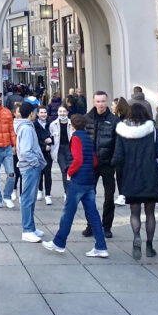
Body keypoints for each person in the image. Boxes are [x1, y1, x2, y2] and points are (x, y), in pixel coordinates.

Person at [42, 112, 107, 257]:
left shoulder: (76, 138)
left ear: (72, 126)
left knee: (68, 213)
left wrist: (70, 173)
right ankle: (101, 246)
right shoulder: (88, 139)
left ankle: (59, 242)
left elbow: (77, 159)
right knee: (93, 214)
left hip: (78, 181)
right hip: (89, 180)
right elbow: (94, 161)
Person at [112, 100, 158, 260]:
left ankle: (136, 236)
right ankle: (149, 245)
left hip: (131, 175)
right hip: (150, 175)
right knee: (150, 213)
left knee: (135, 212)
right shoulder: (152, 131)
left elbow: (118, 156)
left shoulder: (122, 131)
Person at [83, 91, 118, 238]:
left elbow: (118, 143)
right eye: (98, 101)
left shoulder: (114, 120)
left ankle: (107, 226)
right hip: (91, 164)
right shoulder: (87, 119)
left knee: (109, 196)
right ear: (93, 102)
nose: (101, 104)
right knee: (89, 195)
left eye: (103, 101)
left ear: (107, 101)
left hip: (108, 164)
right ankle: (91, 225)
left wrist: (114, 161)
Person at [14, 102, 46, 242]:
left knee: (30, 198)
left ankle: (31, 228)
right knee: (27, 199)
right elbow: (26, 151)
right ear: (31, 113)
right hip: (29, 167)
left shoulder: (26, 126)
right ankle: (27, 230)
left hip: (30, 166)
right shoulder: (26, 128)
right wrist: (36, 162)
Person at [49, 105, 74, 196]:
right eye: (60, 111)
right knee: (64, 170)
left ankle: (71, 190)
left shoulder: (72, 124)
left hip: (70, 149)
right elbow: (50, 137)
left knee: (71, 170)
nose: (62, 113)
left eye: (64, 111)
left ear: (67, 112)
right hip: (59, 150)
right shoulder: (53, 125)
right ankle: (66, 192)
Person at [34, 105, 54, 205]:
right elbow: (35, 139)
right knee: (39, 173)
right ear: (37, 114)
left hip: (48, 153)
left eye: (45, 112)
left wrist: (51, 142)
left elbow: (55, 136)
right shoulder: (34, 125)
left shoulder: (51, 124)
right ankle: (40, 190)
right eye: (41, 112)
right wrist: (43, 146)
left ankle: (48, 195)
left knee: (48, 173)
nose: (43, 114)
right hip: (38, 152)